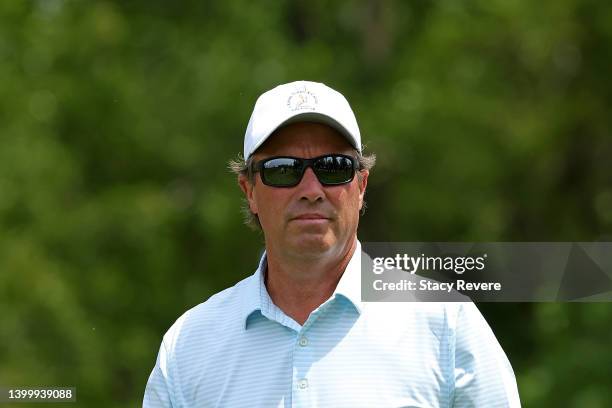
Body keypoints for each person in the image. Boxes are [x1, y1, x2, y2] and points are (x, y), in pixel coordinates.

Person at [143, 80, 521, 407]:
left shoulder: (445, 325)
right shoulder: (188, 346)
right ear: (250, 191)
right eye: (282, 170)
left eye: (334, 167)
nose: (311, 190)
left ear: (361, 186)